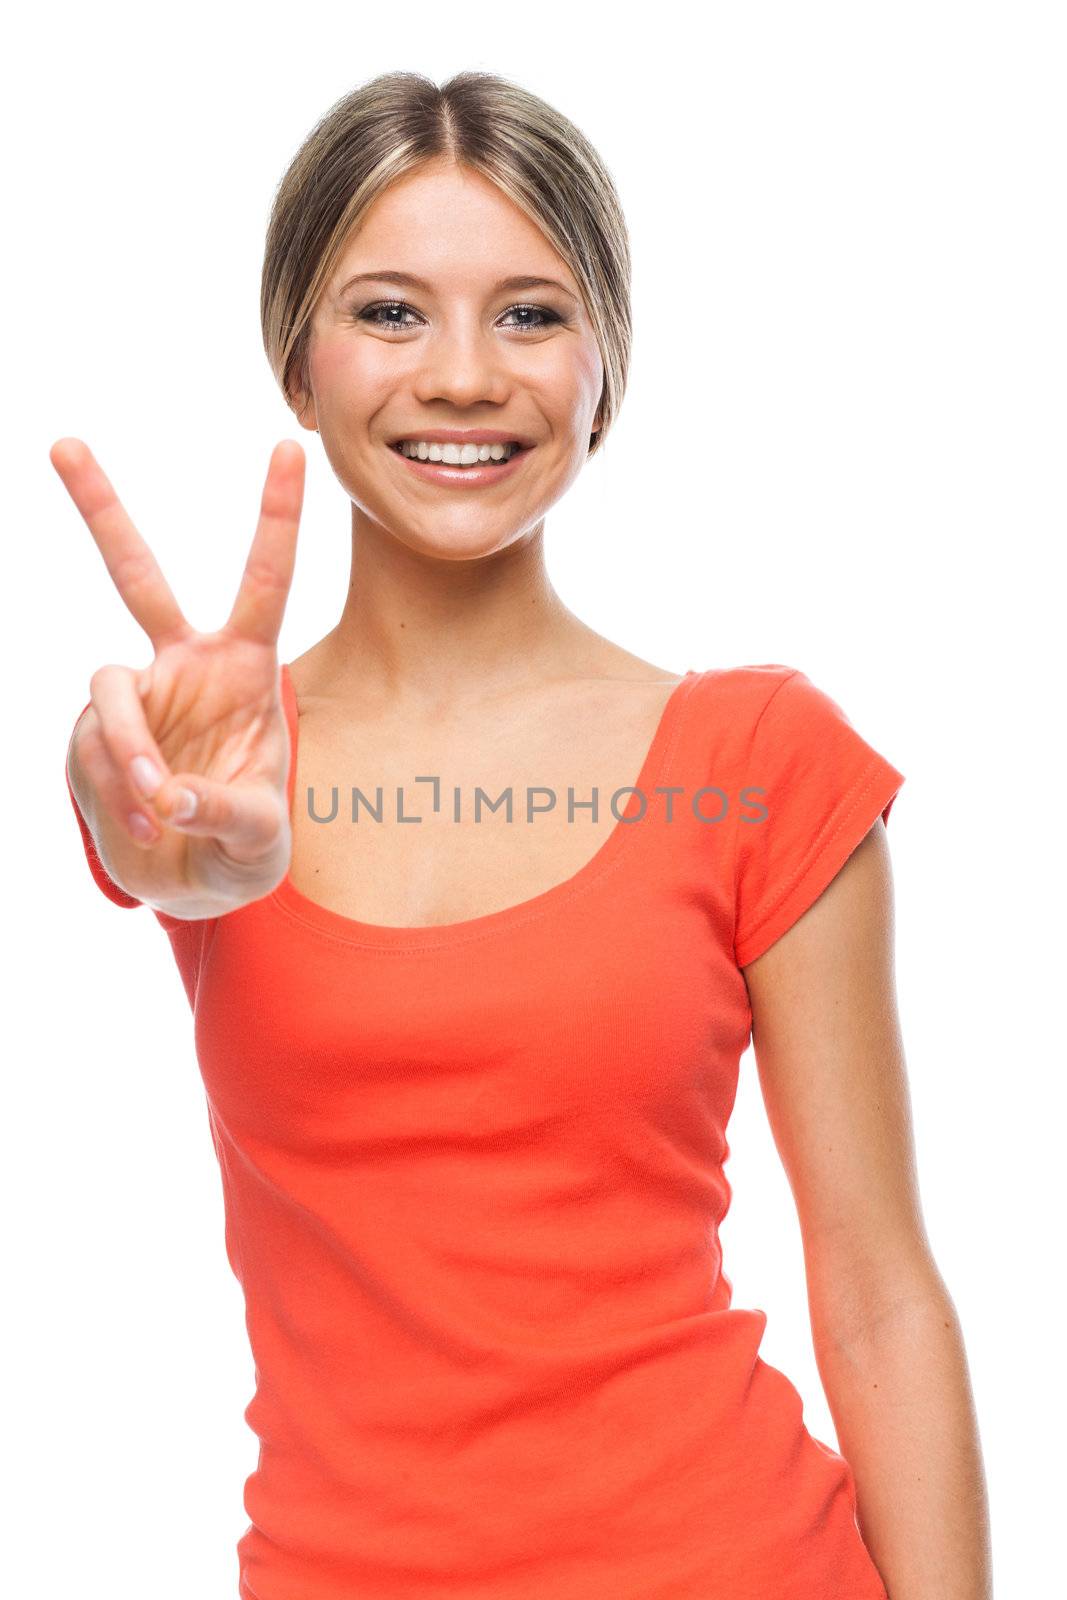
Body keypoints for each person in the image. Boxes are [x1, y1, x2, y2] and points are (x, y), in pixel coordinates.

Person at [55, 69, 991, 1600]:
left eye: (533, 315)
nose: (465, 376)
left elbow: (880, 1292)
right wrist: (144, 809)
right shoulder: (213, 766)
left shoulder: (757, 759)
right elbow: (131, 812)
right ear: (297, 357)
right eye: (391, 312)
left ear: (605, 371)